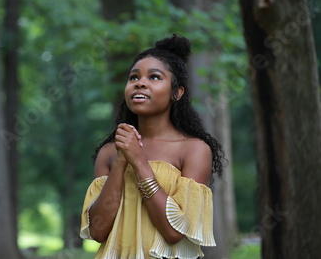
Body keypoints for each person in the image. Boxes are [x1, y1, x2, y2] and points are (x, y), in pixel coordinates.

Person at [80, 34, 225, 258]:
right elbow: (98, 231)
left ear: (177, 93)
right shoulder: (110, 152)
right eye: (133, 77)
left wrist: (138, 161)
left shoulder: (194, 150)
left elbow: (174, 231)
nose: (140, 82)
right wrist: (121, 161)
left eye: (155, 77)